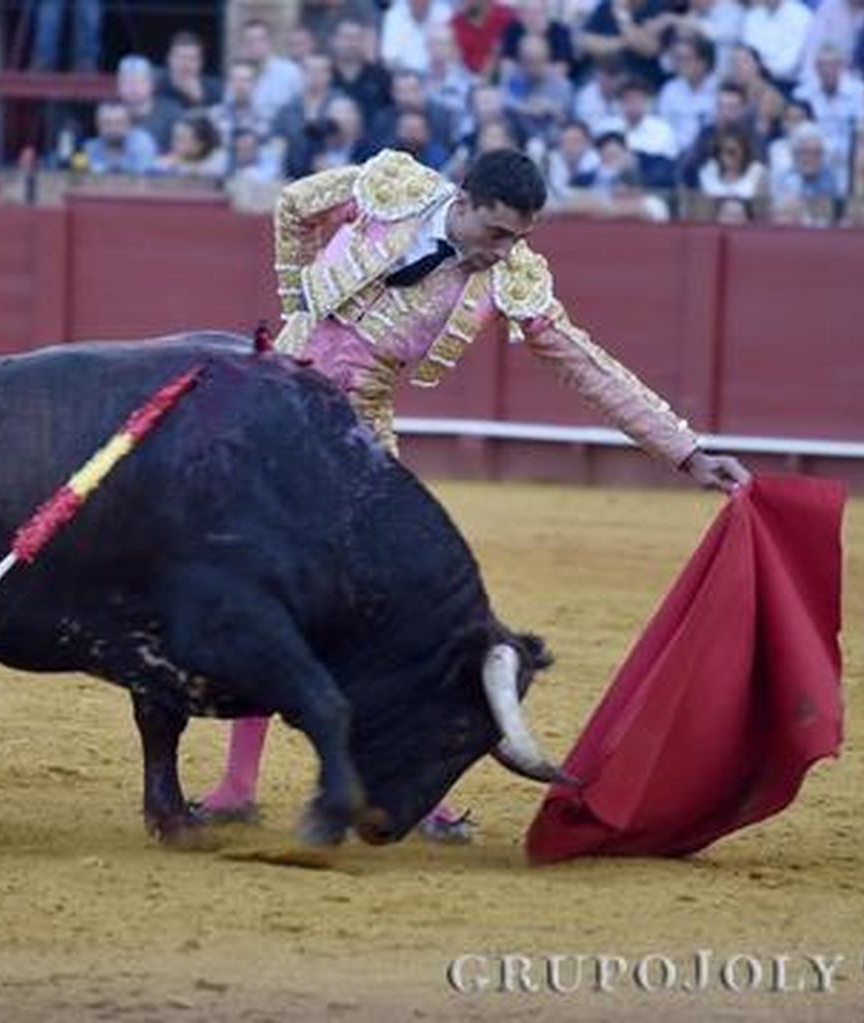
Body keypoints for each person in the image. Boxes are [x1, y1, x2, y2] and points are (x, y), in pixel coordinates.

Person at [196, 148, 750, 836]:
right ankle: (236, 783)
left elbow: (586, 364)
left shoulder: (510, 279)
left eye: (519, 237)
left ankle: (422, 794)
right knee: (261, 579)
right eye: (496, 233)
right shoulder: (391, 189)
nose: (505, 251)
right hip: (277, 402)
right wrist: (296, 304)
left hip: (358, 435)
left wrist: (686, 450)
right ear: (462, 200)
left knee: (393, 612)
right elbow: (294, 206)